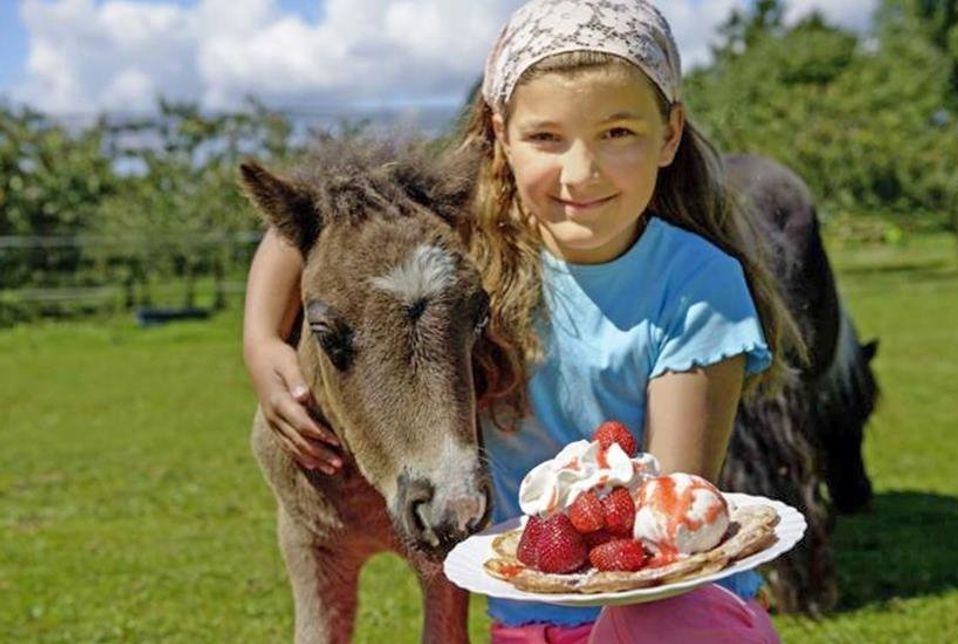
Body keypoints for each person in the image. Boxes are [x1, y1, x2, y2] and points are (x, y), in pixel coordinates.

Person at [243, 0, 805, 641]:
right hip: (532, 612)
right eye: (546, 137)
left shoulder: (697, 285)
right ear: (498, 134)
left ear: (670, 132)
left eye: (618, 132)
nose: (581, 172)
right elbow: (319, 221)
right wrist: (261, 341)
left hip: (671, 606)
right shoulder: (475, 247)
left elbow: (667, 523)